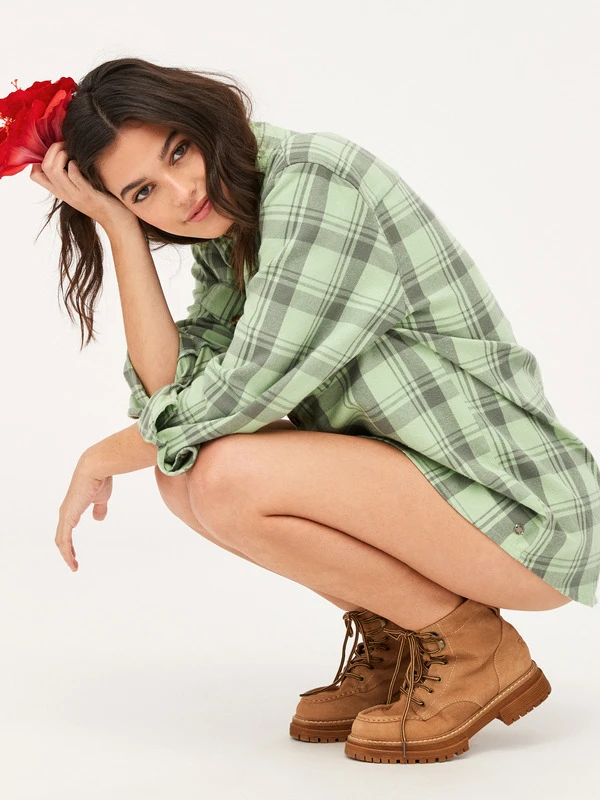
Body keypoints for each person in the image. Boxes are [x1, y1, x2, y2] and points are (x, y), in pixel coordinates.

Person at [3, 56, 599, 764]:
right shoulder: (231, 230)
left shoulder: (315, 184)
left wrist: (101, 455)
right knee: (183, 478)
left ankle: (474, 650)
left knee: (223, 472)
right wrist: (120, 230)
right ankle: (402, 639)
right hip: (443, 498)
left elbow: (237, 396)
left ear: (205, 116)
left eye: (179, 151)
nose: (182, 192)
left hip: (525, 513)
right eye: (143, 191)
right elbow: (172, 392)